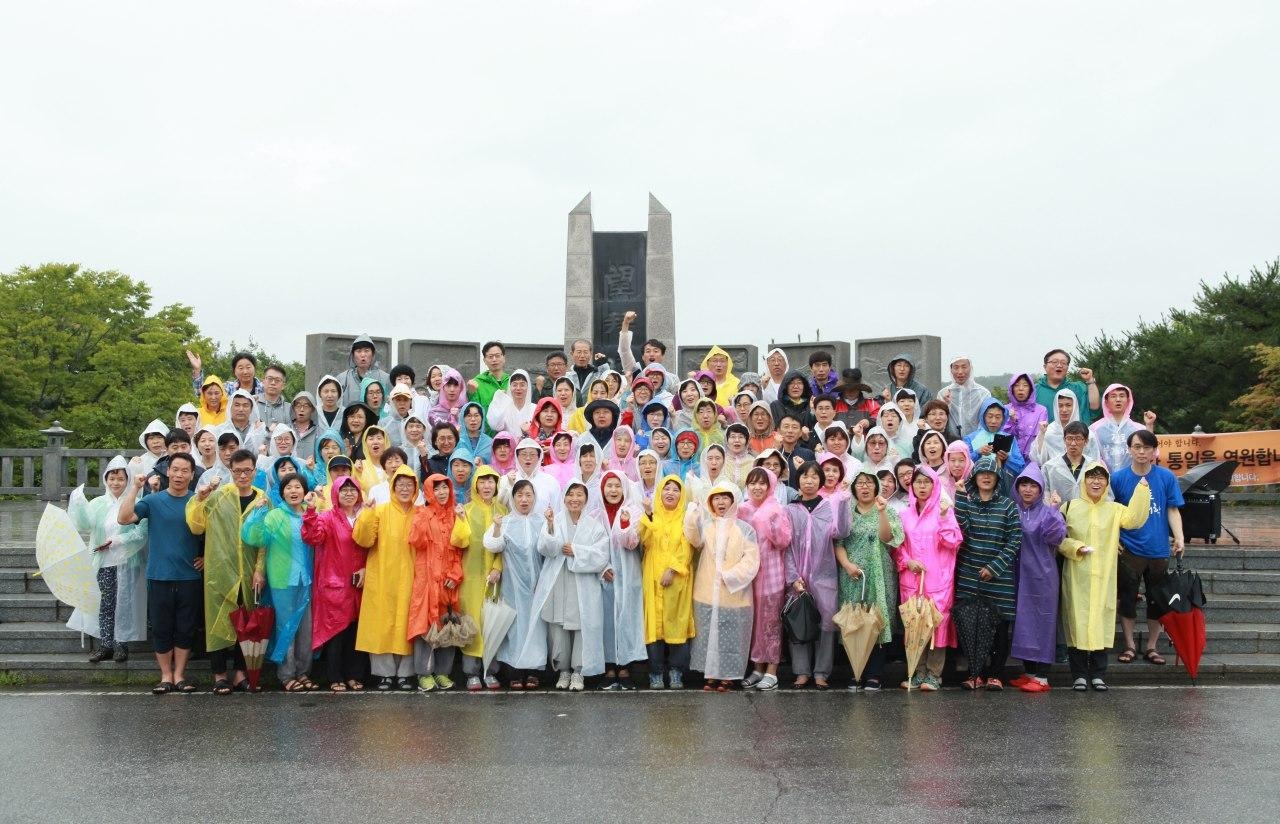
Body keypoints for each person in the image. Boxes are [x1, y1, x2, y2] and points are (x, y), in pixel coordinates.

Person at [1058, 462, 1151, 691]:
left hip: (1104, 577)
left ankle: (1098, 674)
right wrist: (1076, 547)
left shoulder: (1115, 509)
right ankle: (1078, 674)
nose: (1096, 482)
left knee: (1101, 622)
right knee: (1076, 623)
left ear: (1107, 482)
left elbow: (1135, 519)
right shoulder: (1069, 507)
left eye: (1101, 478)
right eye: (1091, 477)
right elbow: (1057, 538)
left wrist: (1142, 490)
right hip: (1077, 576)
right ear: (1084, 481)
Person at [118, 451, 202, 695]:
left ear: (191, 474)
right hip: (159, 575)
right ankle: (165, 675)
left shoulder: (197, 501)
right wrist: (135, 487)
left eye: (184, 470)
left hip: (189, 576)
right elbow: (123, 518)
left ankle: (180, 675)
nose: (179, 474)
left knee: (186, 627)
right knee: (162, 627)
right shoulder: (153, 501)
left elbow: (211, 533)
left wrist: (206, 557)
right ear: (167, 471)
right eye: (175, 469)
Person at [185, 449, 267, 694]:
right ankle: (219, 675)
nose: (243, 475)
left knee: (247, 624)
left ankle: (241, 674)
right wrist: (199, 499)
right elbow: (196, 526)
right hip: (220, 571)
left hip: (250, 570)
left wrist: (259, 569)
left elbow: (265, 539)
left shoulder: (262, 498)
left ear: (254, 471)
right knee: (218, 621)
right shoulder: (218, 496)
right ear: (230, 471)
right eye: (238, 471)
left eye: (247, 471)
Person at [516, 481, 611, 691]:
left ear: (586, 499)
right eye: (571, 495)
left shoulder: (595, 525)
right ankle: (563, 670)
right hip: (558, 580)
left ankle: (578, 671)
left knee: (581, 627)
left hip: (583, 583)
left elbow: (602, 555)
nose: (574, 499)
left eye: (579, 495)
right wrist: (549, 527)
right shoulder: (555, 520)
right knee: (557, 627)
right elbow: (546, 549)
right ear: (564, 498)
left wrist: (576, 550)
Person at [1111, 428, 1185, 666]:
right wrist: (1114, 540)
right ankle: (1130, 645)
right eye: (1137, 447)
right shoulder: (1119, 478)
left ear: (1155, 451)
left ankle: (1152, 646)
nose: (1141, 452)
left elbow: (1172, 509)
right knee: (1128, 597)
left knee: (1157, 600)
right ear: (1129, 450)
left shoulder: (1165, 477)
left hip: (1158, 549)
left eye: (1146, 447)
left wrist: (1180, 537)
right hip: (1130, 548)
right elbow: (1112, 514)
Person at [67, 457, 147, 665]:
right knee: (106, 603)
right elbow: (85, 525)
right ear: (106, 480)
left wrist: (120, 539)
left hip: (128, 562)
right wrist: (78, 504)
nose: (116, 483)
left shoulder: (136, 502)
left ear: (127, 480)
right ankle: (106, 644)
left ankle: (122, 644)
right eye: (112, 478)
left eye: (121, 478)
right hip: (103, 562)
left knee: (125, 603)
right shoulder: (98, 503)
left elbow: (142, 532)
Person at [953, 455, 1023, 690]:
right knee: (972, 626)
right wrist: (960, 497)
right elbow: (958, 531)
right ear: (974, 477)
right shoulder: (967, 501)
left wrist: (994, 567)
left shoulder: (1008, 505)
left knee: (1000, 628)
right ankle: (976, 673)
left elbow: (1014, 539)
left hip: (999, 576)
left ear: (997, 478)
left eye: (990, 474)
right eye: (981, 473)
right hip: (970, 574)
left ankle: (996, 674)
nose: (985, 477)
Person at [241, 473, 317, 692]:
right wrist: (258, 512)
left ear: (305, 491)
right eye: (288, 488)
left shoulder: (309, 514)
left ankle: (303, 672)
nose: (293, 491)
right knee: (286, 627)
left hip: (306, 578)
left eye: (298, 487)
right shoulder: (274, 516)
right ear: (282, 492)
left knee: (305, 628)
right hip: (282, 579)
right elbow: (254, 538)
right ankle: (286, 674)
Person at [684, 482, 759, 691]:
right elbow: (693, 538)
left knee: (731, 637)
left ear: (734, 500)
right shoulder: (707, 527)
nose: (721, 502)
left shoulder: (746, 530)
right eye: (716, 498)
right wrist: (692, 513)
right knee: (708, 636)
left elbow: (751, 560)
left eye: (725, 497)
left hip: (735, 593)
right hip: (706, 592)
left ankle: (728, 676)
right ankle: (710, 676)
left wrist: (730, 576)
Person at [894, 465, 963, 691]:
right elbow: (898, 546)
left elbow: (953, 543)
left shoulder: (944, 511)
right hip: (912, 579)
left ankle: (934, 673)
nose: (922, 487)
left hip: (937, 579)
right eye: (918, 482)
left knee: (935, 624)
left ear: (935, 485)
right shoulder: (904, 514)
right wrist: (907, 561)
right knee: (914, 624)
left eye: (927, 482)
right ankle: (916, 670)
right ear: (911, 485)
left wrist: (944, 518)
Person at [834, 470, 904, 691]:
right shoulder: (847, 513)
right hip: (852, 575)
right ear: (854, 489)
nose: (864, 487)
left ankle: (874, 674)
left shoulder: (888, 510)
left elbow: (888, 538)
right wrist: (847, 565)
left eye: (868, 483)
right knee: (854, 622)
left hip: (880, 575)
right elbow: (838, 543)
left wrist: (881, 512)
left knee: (876, 621)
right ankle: (856, 672)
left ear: (876, 487)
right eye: (860, 483)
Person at [353, 465, 421, 691]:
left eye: (409, 485)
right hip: (381, 576)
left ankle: (406, 673)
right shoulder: (380, 511)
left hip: (412, 576)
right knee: (382, 624)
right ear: (392, 486)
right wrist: (367, 514)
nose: (404, 488)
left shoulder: (420, 514)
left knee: (406, 624)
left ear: (415, 488)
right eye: (400, 484)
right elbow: (363, 539)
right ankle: (384, 674)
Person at [784, 461, 849, 689]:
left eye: (814, 477)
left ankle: (821, 672)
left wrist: (842, 503)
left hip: (825, 576)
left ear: (820, 481)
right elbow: (787, 546)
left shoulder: (828, 507)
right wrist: (793, 577)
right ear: (798, 480)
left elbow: (841, 531)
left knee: (826, 625)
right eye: (804, 476)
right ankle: (802, 672)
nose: (809, 480)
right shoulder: (790, 510)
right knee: (799, 621)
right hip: (798, 578)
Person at [301, 475, 368, 691]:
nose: (349, 493)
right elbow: (313, 538)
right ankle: (334, 676)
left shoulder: (365, 517)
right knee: (336, 633)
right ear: (335, 494)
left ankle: (353, 674)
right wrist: (310, 512)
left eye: (353, 489)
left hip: (360, 584)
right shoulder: (327, 517)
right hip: (334, 584)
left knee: (355, 632)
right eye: (344, 490)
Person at [1007, 463, 1068, 693]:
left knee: (1043, 622)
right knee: (1024, 623)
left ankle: (1042, 677)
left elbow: (1056, 537)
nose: (1028, 489)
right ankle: (1029, 672)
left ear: (1041, 488)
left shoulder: (1046, 510)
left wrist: (1054, 510)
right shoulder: (1013, 509)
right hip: (1018, 573)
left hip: (1042, 574)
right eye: (1024, 484)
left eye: (1033, 485)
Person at [406, 475, 468, 691]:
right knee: (425, 626)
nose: (442, 493)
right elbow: (416, 541)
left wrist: (455, 573)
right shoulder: (422, 514)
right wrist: (422, 517)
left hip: (448, 580)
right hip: (427, 579)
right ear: (429, 492)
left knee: (448, 624)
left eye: (445, 488)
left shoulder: (455, 514)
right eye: (437, 489)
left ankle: (443, 672)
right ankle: (424, 672)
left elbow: (460, 547)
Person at [484, 479, 547, 689]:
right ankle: (514, 672)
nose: (524, 499)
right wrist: (497, 527)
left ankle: (534, 672)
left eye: (528, 495)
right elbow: (493, 544)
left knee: (536, 628)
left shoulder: (542, 521)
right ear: (513, 498)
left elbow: (550, 548)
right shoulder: (506, 521)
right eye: (519, 495)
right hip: (512, 585)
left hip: (538, 585)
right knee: (515, 628)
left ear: (534, 497)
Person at [637, 475, 696, 689]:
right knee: (654, 625)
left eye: (675, 489)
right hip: (652, 577)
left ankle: (676, 671)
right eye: (666, 488)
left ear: (682, 495)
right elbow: (643, 540)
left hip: (677, 579)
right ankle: (655, 672)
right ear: (659, 492)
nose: (670, 493)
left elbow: (687, 548)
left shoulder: (686, 518)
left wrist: (672, 570)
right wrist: (649, 515)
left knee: (676, 623)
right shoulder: (653, 516)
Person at [737, 467, 793, 691]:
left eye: (762, 483)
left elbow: (784, 542)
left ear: (770, 486)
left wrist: (770, 522)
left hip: (771, 575)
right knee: (755, 623)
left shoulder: (776, 509)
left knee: (771, 623)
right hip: (749, 576)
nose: (757, 487)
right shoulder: (743, 509)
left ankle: (772, 669)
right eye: (752, 483)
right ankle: (757, 668)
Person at [455, 466, 506, 691]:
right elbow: (459, 542)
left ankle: (491, 670)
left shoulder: (503, 510)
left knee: (493, 625)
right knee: (473, 624)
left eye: (491, 481)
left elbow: (508, 547)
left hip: (496, 578)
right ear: (475, 484)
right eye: (482, 481)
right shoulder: (465, 510)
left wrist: (498, 567)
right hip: (471, 578)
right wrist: (459, 520)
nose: (487, 486)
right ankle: (471, 673)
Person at [595, 471, 646, 690]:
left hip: (628, 573)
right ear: (602, 489)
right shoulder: (596, 514)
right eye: (609, 486)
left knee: (627, 618)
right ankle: (608, 667)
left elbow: (632, 543)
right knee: (605, 620)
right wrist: (602, 567)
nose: (613, 490)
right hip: (604, 576)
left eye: (617, 486)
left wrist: (625, 525)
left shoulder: (634, 511)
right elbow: (592, 545)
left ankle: (625, 667)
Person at [1091, 383, 1156, 472]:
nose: (1118, 400)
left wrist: (1149, 426)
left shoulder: (1139, 429)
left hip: (1133, 480)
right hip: (1104, 482)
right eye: (1113, 396)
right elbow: (1090, 456)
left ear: (1128, 401)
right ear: (1106, 401)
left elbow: (1151, 454)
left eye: (1122, 396)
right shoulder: (1094, 429)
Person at [1032, 388, 1101, 466]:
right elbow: (1039, 459)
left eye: (1068, 405)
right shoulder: (1048, 431)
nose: (1064, 410)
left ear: (1074, 406)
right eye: (1060, 406)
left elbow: (1094, 460)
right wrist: (1042, 434)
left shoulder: (1086, 432)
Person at [1034, 349, 1100, 427]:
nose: (1059, 365)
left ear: (1067, 367)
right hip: (1043, 437)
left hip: (1075, 437)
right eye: (1055, 362)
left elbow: (1095, 408)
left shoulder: (1078, 388)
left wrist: (1090, 380)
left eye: (1063, 363)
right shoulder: (1034, 390)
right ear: (1045, 366)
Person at [618, 310, 676, 396]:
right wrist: (626, 323)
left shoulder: (672, 379)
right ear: (643, 357)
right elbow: (624, 350)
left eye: (656, 351)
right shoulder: (637, 374)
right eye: (648, 351)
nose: (651, 354)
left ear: (662, 356)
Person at [1041, 421, 1094, 505]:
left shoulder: (1094, 466)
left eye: (1078, 439)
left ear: (1086, 441)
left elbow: (1106, 496)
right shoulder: (1049, 467)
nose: (1073, 443)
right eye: (1069, 438)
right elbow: (1044, 496)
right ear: (1064, 440)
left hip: (1087, 516)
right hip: (1058, 516)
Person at [937, 356, 992, 438]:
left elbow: (987, 420)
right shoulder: (943, 394)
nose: (960, 372)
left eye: (964, 367)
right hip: (951, 444)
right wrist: (945, 405)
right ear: (951, 370)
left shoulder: (983, 393)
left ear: (970, 368)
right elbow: (938, 420)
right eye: (956, 367)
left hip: (977, 444)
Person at [1003, 372, 1048, 459]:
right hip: (1009, 460)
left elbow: (1041, 438)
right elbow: (1001, 438)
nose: (1021, 389)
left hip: (1032, 462)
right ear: (1011, 389)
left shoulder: (1041, 410)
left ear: (1031, 389)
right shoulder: (1005, 409)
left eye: (1025, 385)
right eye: (1016, 385)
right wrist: (1011, 421)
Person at [337, 336, 390, 407]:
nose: (363, 355)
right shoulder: (343, 378)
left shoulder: (385, 378)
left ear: (373, 354)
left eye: (366, 351)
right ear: (352, 355)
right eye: (358, 351)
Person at [470, 341, 512, 419]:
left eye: (497, 356)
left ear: (504, 358)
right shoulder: (477, 383)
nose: (494, 359)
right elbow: (475, 410)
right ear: (484, 360)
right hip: (487, 430)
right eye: (490, 356)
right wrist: (471, 393)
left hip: (510, 430)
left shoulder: (512, 382)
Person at [565, 339, 611, 406]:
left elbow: (609, 382)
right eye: (579, 352)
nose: (582, 356)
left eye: (586, 352)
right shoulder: (567, 376)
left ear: (591, 354)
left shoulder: (597, 374)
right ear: (572, 354)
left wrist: (603, 364)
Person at [833, 367, 880, 433]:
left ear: (859, 389)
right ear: (843, 389)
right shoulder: (834, 405)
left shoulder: (871, 404)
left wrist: (869, 422)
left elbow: (880, 417)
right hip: (838, 442)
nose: (851, 391)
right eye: (847, 388)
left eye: (855, 388)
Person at [254, 364, 291, 430]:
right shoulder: (253, 403)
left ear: (283, 385)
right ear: (263, 381)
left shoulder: (290, 409)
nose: (273, 383)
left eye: (277, 380)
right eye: (270, 379)